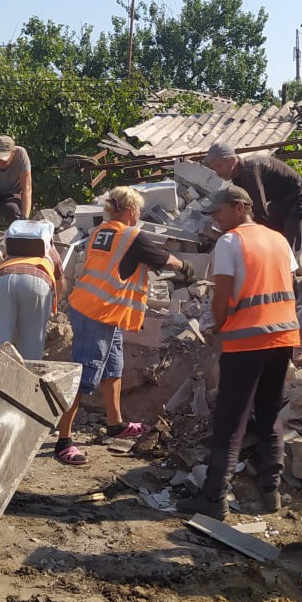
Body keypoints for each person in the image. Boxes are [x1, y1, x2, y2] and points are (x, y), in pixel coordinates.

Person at [178, 185, 299, 519]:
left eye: (219, 211)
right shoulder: (277, 238)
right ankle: (270, 491)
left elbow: (223, 297)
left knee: (232, 417)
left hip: (247, 338)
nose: (215, 218)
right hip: (283, 335)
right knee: (270, 410)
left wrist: (218, 327)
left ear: (240, 207)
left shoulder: (230, 243)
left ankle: (214, 496)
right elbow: (290, 284)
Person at [56, 186, 194, 465]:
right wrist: (186, 266)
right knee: (83, 378)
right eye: (139, 211)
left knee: (113, 369)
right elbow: (162, 258)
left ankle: (115, 423)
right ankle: (63, 441)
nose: (139, 216)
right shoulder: (131, 236)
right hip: (97, 313)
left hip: (99, 310)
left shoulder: (101, 231)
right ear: (131, 211)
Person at [203, 142, 302, 256]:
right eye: (214, 168)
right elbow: (245, 210)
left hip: (300, 200)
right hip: (280, 203)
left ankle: (289, 271)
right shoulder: (237, 177)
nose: (217, 173)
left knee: (287, 249)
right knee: (272, 239)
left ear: (231, 161)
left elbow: (260, 213)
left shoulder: (249, 172)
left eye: (219, 166)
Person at [0, 222, 65, 361]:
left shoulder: (12, 250)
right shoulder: (51, 250)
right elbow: (61, 282)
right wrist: (53, 304)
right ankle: (27, 380)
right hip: (38, 282)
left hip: (2, 280)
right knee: (31, 349)